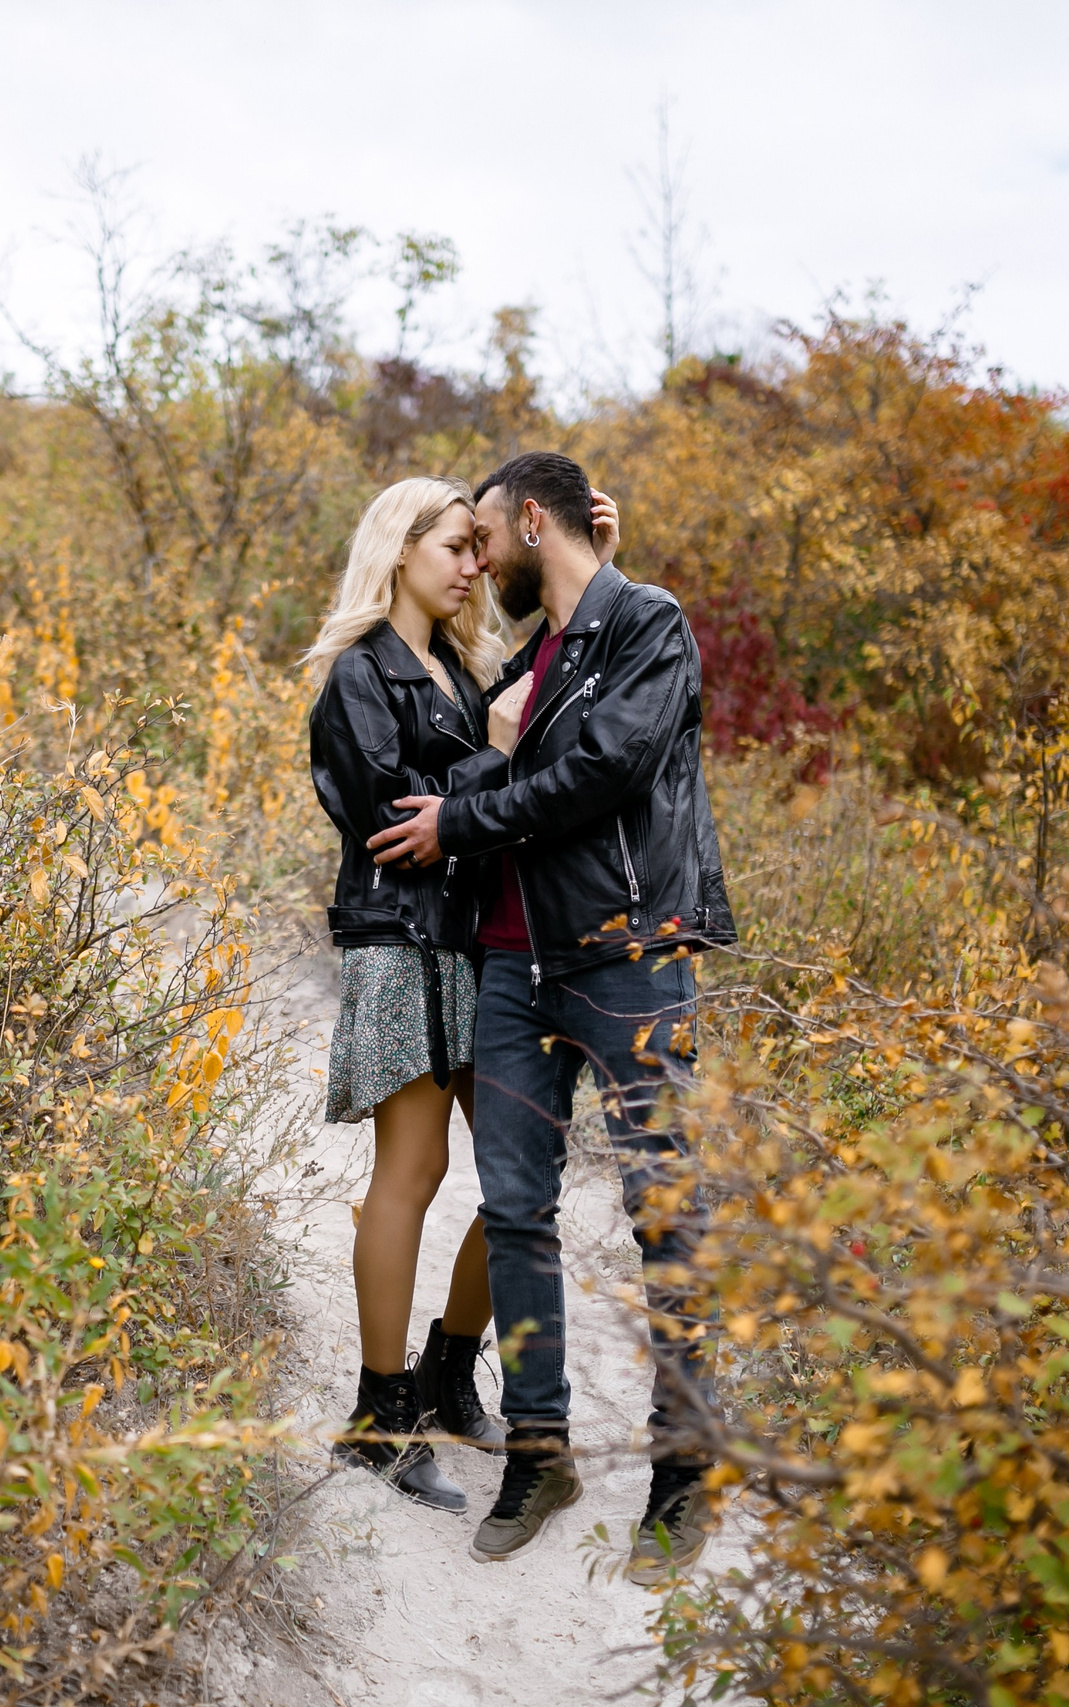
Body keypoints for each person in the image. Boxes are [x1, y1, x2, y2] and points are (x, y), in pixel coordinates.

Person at [366, 450, 733, 1581]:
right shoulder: (550, 647)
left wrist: (465, 821)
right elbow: (495, 751)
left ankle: (684, 1474)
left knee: (662, 1212)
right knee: (516, 1211)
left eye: (483, 538)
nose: (475, 560)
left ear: (532, 521)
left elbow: (602, 768)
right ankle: (539, 1451)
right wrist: (475, 794)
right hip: (515, 966)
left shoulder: (651, 624)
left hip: (627, 954)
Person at [304, 474, 620, 1512]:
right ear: (398, 548)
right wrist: (485, 767)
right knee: (415, 1164)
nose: (473, 566)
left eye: (478, 551)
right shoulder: (363, 676)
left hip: (478, 948)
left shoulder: (458, 669)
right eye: (453, 546)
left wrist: (595, 557)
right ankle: (378, 1416)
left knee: (522, 1166)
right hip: (399, 939)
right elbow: (391, 818)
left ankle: (448, 1367)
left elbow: (561, 669)